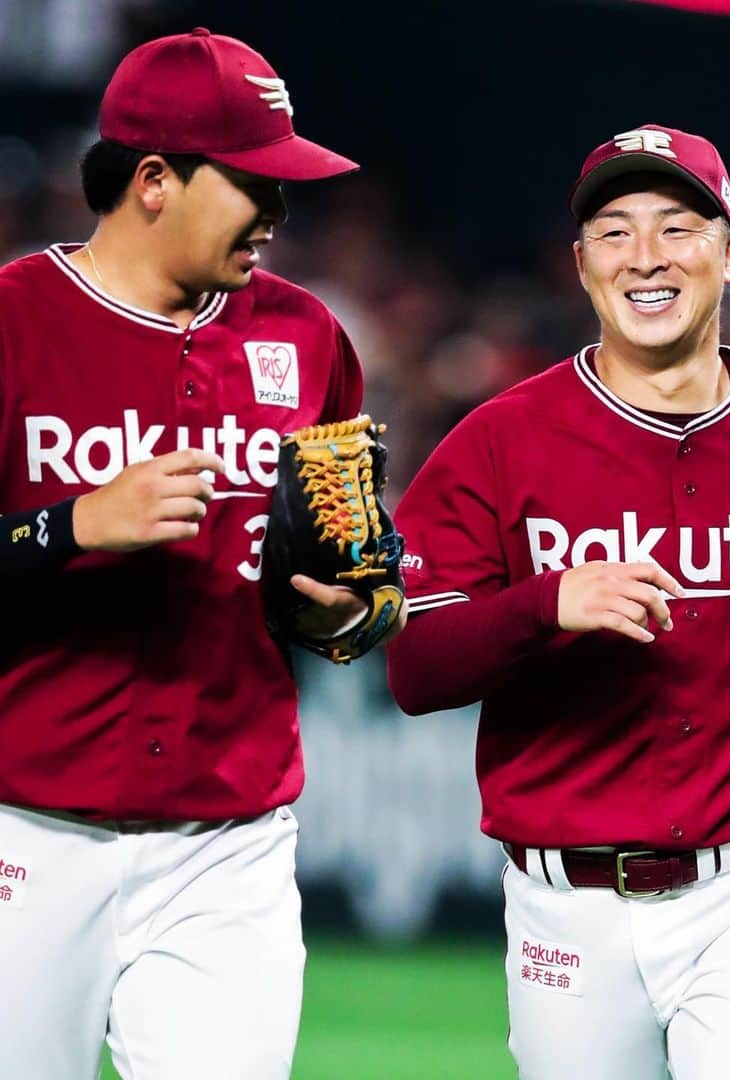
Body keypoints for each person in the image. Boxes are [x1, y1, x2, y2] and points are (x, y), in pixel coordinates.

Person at [387, 124, 730, 1079]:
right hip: (566, 905)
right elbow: (414, 668)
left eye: (676, 227)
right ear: (580, 266)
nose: (645, 257)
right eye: (613, 233)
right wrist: (547, 603)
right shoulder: (498, 441)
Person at [0, 28, 402, 1080]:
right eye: (252, 180)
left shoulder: (310, 338)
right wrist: (70, 527)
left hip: (231, 847)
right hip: (26, 836)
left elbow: (363, 573)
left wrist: (356, 611)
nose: (278, 209)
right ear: (152, 181)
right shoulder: (13, 322)